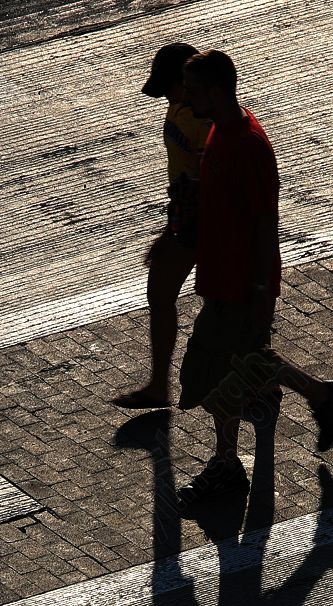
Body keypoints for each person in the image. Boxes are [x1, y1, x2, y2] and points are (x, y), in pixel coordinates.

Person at [176, 50, 333, 502]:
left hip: (238, 284)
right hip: (220, 277)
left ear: (216, 92)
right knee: (243, 364)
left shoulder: (249, 144)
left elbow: (264, 223)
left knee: (218, 373)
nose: (185, 97)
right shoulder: (220, 128)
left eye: (193, 90)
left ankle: (227, 464)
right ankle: (321, 398)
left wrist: (259, 291)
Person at [112, 43, 210, 410]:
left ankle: (160, 385)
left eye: (171, 86)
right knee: (163, 294)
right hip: (186, 215)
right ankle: (158, 384)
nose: (166, 95)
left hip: (199, 219)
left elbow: (204, 179)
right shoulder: (180, 107)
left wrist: (174, 232)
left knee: (171, 296)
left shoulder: (202, 119)